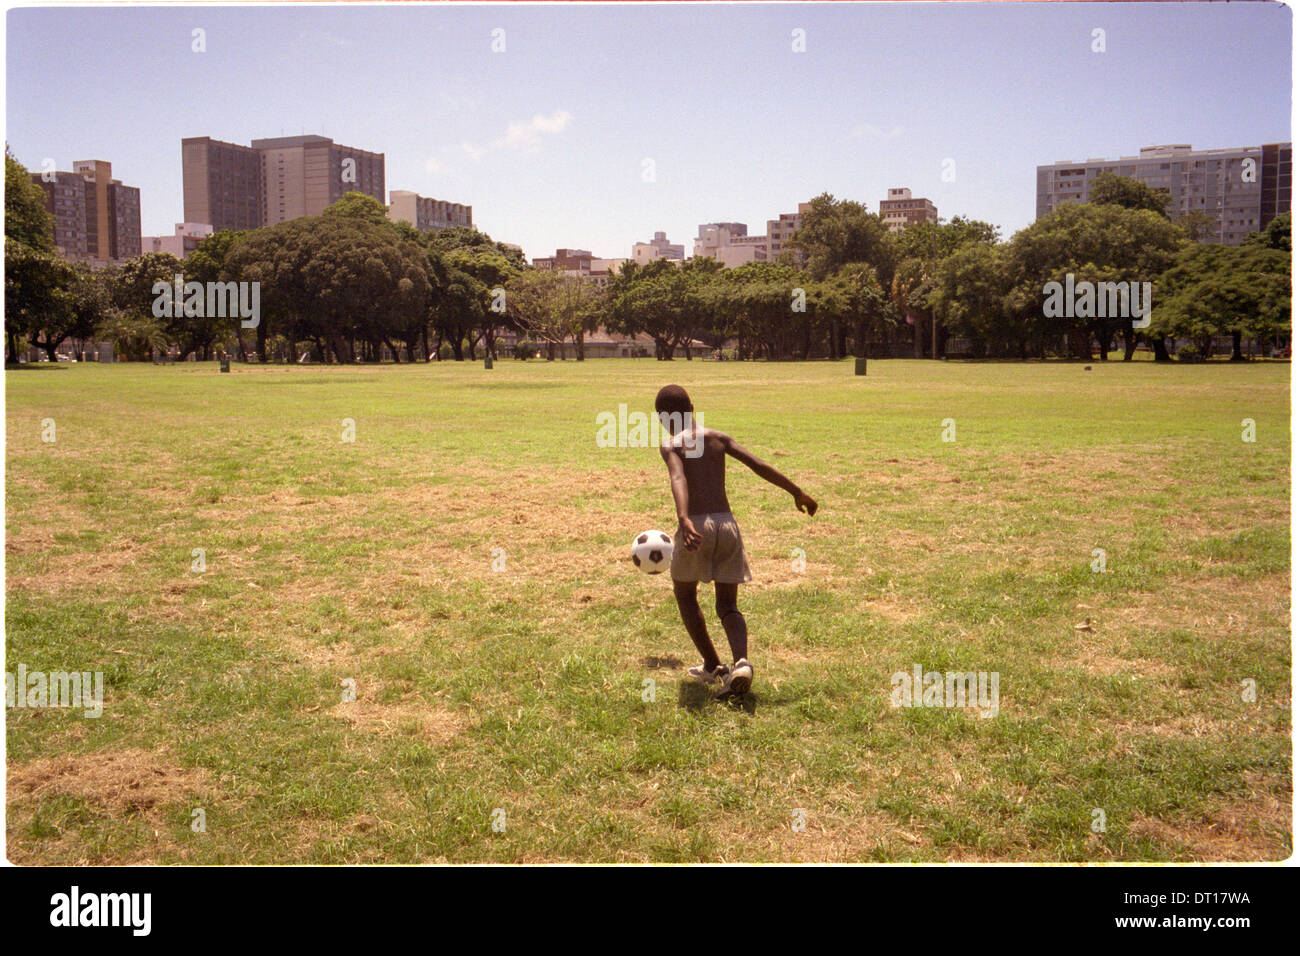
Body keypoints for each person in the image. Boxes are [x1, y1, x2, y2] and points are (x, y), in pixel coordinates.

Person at [655, 384, 817, 699]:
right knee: (728, 604)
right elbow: (758, 465)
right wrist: (796, 491)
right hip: (727, 526)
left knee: (685, 595)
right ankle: (741, 662)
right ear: (692, 407)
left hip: (697, 527)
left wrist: (684, 518)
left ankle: (713, 665)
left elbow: (679, 478)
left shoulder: (671, 445)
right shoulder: (718, 437)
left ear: (663, 417)